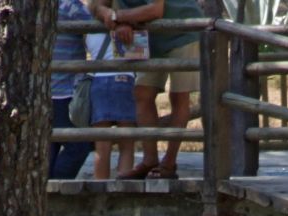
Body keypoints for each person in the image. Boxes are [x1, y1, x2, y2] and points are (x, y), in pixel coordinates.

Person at [88, 0, 203, 180]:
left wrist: (118, 17)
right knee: (141, 93)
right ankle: (150, 159)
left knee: (179, 96)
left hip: (182, 31)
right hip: (151, 36)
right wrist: (108, 14)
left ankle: (169, 163)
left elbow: (156, 10)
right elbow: (94, 5)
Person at [85, 8, 137, 179]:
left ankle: (100, 190)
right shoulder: (128, 22)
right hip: (124, 79)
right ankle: (125, 188)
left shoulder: (89, 25)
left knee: (102, 147)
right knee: (127, 144)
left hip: (99, 81)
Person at [50, 0, 94, 179]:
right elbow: (95, 23)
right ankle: (55, 187)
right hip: (64, 90)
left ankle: (45, 189)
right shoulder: (69, 5)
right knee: (79, 146)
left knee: (50, 145)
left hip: (49, 89)